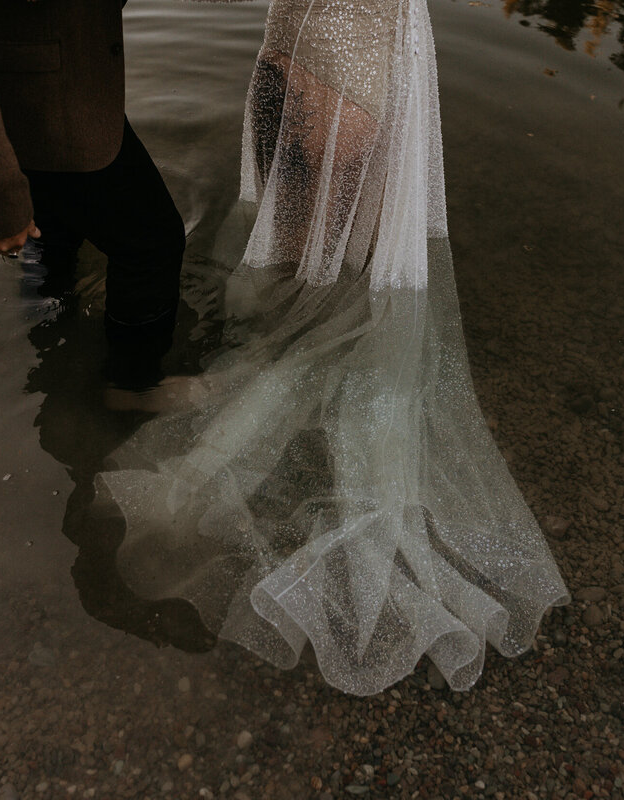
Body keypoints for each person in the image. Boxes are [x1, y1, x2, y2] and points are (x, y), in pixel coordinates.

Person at [91, 0, 570, 695]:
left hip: (286, 54)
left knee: (293, 265)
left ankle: (200, 440)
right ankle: (222, 437)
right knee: (348, 300)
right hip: (361, 70)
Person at [0, 0, 187, 409]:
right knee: (151, 243)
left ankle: (47, 335)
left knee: (51, 233)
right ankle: (133, 386)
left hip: (49, 85)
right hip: (48, 102)